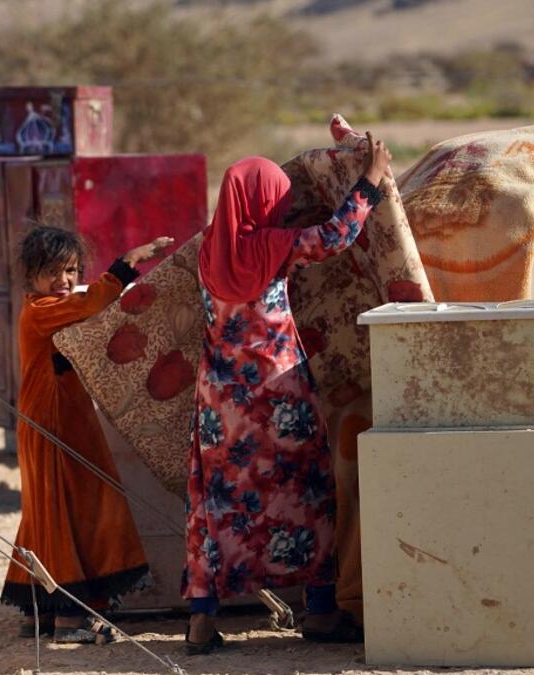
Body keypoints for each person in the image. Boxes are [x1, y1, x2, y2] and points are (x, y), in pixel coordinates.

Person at [184, 134, 392, 653]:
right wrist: (370, 180)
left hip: (219, 403)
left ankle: (201, 620)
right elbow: (337, 234)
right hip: (278, 397)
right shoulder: (273, 246)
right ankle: (320, 611)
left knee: (216, 503)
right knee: (305, 492)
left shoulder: (209, 248)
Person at [0, 225, 173, 643]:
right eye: (52, 272)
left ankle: (40, 612)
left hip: (63, 420)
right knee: (71, 512)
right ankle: (69, 618)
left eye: (71, 270)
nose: (64, 280)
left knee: (50, 513)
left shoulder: (52, 306)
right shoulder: (42, 309)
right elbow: (94, 301)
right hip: (52, 424)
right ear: (32, 276)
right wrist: (126, 264)